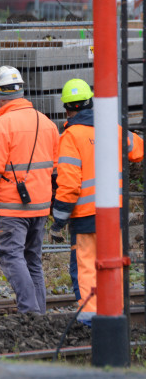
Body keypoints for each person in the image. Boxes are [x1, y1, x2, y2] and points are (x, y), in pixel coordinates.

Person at [0, 66, 59, 314]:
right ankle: (39, 312)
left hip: (12, 208)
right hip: (41, 206)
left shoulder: (0, 127)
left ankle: (30, 312)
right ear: (21, 90)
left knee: (11, 256)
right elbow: (55, 168)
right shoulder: (47, 123)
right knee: (33, 260)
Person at [50, 79, 143, 324]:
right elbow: (138, 150)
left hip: (85, 217)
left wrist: (58, 221)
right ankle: (116, 315)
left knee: (86, 267)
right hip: (114, 215)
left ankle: (91, 321)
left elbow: (69, 185)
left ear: (67, 109)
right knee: (113, 264)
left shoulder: (70, 136)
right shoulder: (111, 129)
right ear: (91, 102)